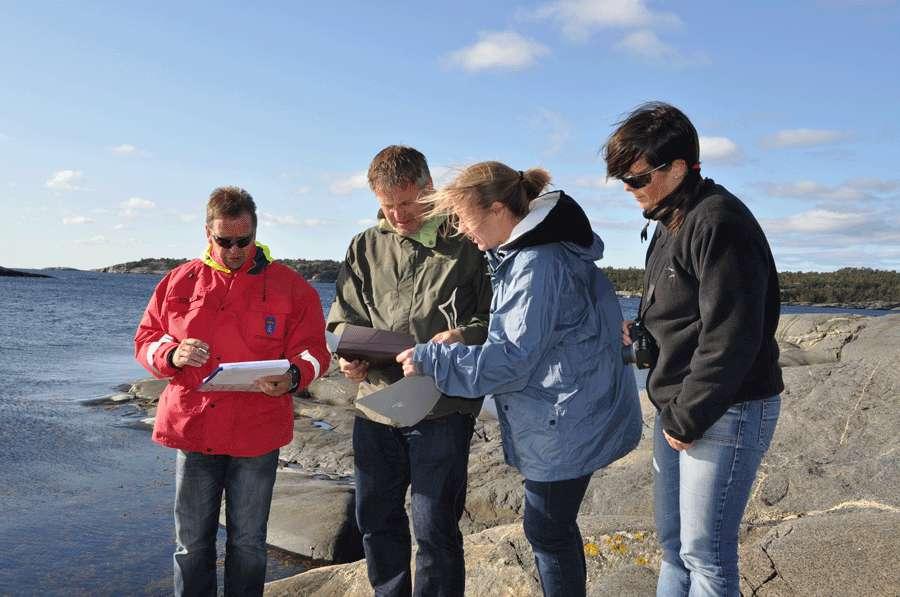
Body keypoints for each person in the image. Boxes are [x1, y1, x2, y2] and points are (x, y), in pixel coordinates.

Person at [396, 161, 642, 597]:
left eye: (464, 218)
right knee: (553, 530)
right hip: (574, 405)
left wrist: (433, 360)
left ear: (496, 209)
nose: (459, 228)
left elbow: (512, 359)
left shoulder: (535, 261)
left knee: (548, 532)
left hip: (562, 417)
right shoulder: (551, 248)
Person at [603, 102, 784, 597]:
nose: (628, 189)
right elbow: (685, 311)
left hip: (725, 408)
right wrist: (643, 335)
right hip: (679, 407)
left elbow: (733, 336)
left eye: (636, 178)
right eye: (622, 178)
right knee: (675, 546)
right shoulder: (670, 219)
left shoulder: (718, 222)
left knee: (706, 554)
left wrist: (687, 420)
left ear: (677, 167)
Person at [134, 186, 330, 596]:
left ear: (255, 235)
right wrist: (171, 354)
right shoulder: (178, 282)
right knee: (191, 547)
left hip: (256, 434)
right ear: (208, 233)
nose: (235, 250)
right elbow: (146, 341)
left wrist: (294, 376)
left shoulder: (291, 287)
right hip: (194, 429)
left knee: (249, 544)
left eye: (244, 241)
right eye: (225, 241)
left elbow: (314, 351)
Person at [327, 145, 492, 596]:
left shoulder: (469, 241)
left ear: (428, 188)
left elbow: (494, 319)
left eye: (406, 203)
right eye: (387, 206)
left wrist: (460, 335)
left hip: (442, 408)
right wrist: (347, 355)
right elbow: (342, 319)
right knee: (376, 522)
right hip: (375, 409)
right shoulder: (365, 245)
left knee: (435, 527)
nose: (397, 215)